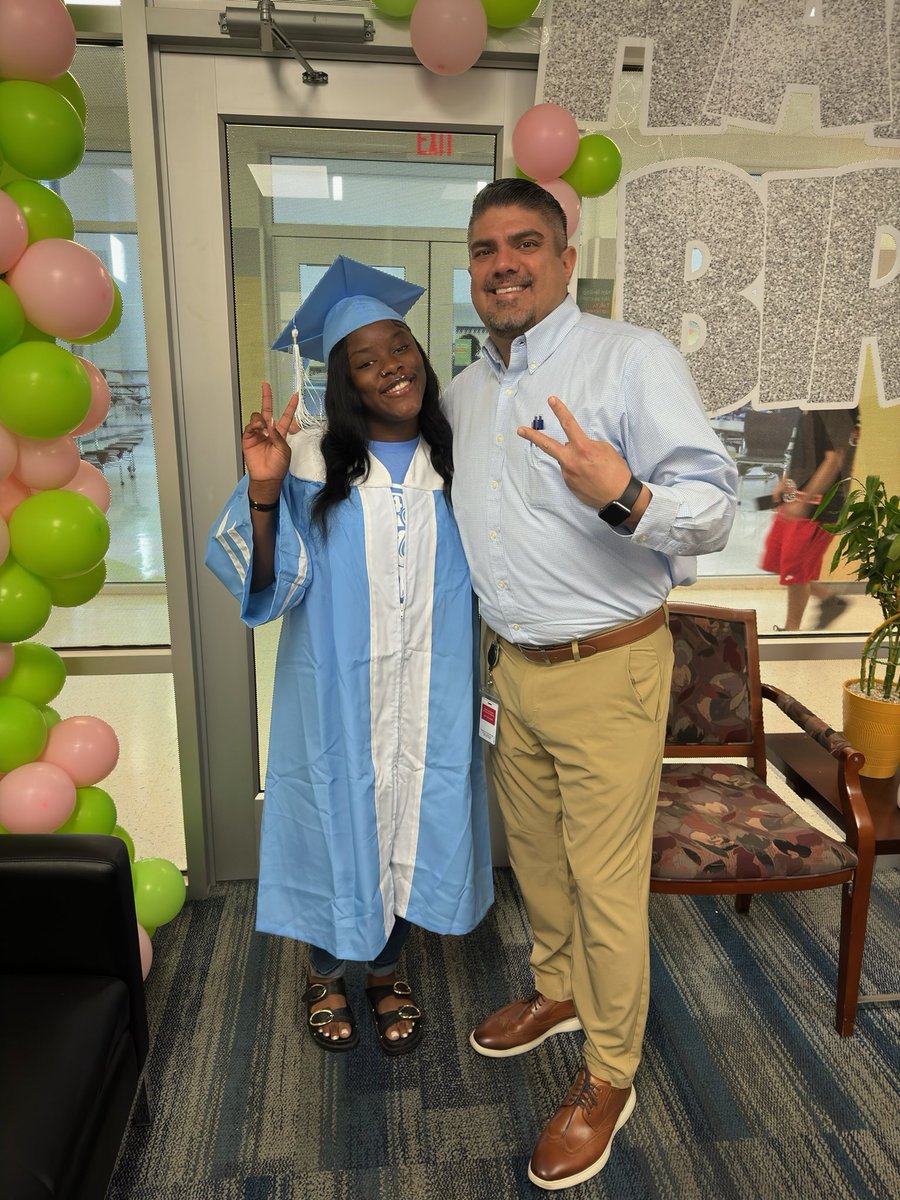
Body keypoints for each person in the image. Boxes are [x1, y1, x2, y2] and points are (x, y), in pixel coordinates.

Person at [441, 178, 738, 1189]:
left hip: (609, 667)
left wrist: (629, 495)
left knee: (609, 884)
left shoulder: (630, 358)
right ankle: (556, 991)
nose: (503, 263)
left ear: (566, 259)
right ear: (471, 270)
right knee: (536, 857)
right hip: (512, 670)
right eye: (485, 249)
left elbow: (712, 507)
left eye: (526, 242)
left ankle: (612, 1071)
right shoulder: (465, 390)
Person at [206, 257, 492, 1057]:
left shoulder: (456, 457)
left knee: (411, 810)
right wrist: (263, 488)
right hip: (336, 688)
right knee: (344, 813)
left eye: (398, 347)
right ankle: (327, 970)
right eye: (365, 361)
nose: (389, 367)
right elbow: (267, 585)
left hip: (431, 683)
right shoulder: (305, 461)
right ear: (345, 381)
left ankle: (386, 969)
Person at [761, 407, 859, 630]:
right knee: (781, 562)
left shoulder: (837, 406)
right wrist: (786, 481)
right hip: (798, 496)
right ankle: (829, 600)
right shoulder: (812, 406)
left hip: (817, 506)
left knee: (795, 570)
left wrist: (804, 503)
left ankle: (790, 631)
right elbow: (805, 451)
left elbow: (834, 459)